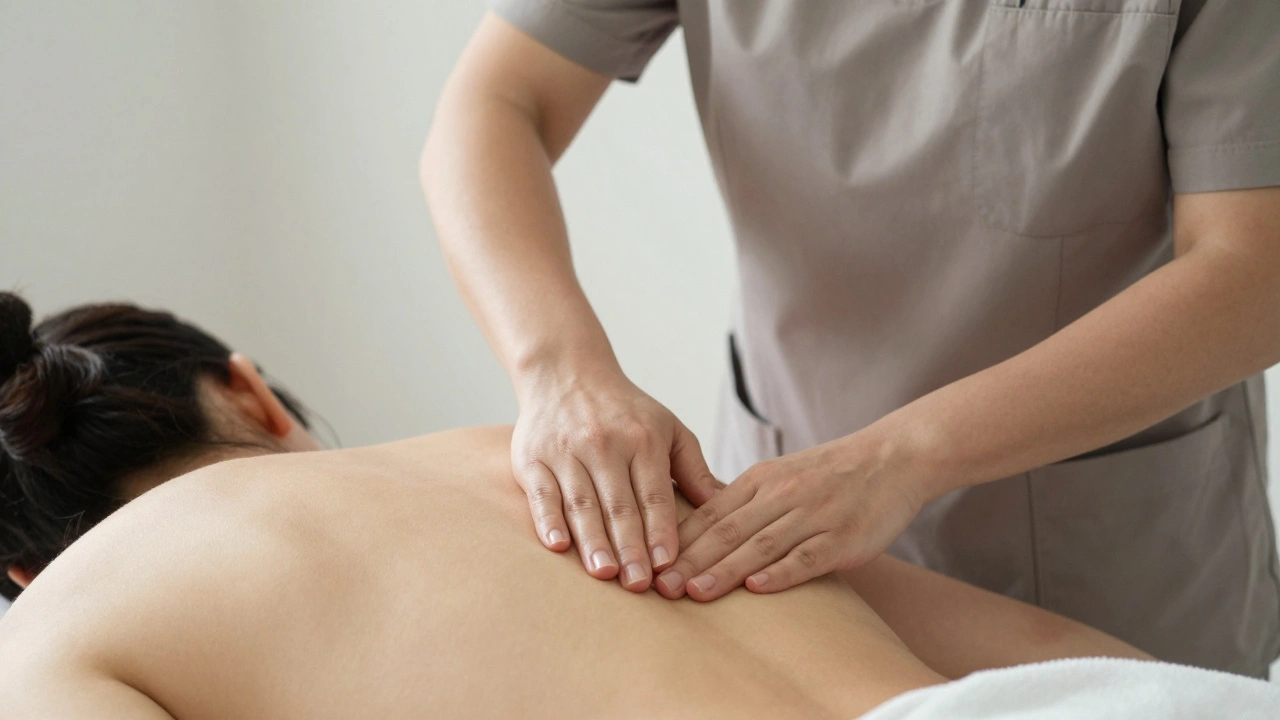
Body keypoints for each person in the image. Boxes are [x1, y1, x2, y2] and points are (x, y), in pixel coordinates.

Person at [421, 2, 1280, 676]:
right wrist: (560, 370)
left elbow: (1257, 272)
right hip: (777, 511)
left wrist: (904, 455)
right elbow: (495, 102)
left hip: (1110, 557)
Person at [0, 293, 1155, 718]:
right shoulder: (554, 455)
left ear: (22, 571)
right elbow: (1037, 652)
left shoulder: (57, 630)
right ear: (248, 394)